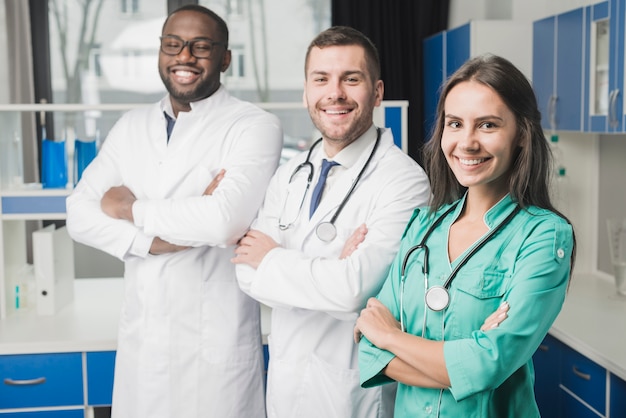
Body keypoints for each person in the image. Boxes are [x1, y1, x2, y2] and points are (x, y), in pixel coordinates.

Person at [65, 5, 283, 418]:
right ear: (161, 52)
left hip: (214, 350)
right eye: (173, 45)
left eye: (201, 46)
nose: (184, 56)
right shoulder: (131, 125)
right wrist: (154, 242)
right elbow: (78, 213)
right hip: (143, 349)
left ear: (224, 58)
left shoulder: (253, 126)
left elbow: (223, 222)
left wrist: (130, 207)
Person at [354, 54, 577, 417]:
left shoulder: (543, 235)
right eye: (455, 124)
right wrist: (464, 360)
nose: (467, 142)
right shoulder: (423, 226)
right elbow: (370, 354)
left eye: (487, 125)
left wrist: (390, 336)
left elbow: (488, 365)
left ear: (521, 133)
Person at [231, 26, 431, 418]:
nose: (334, 93)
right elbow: (245, 273)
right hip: (287, 386)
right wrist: (332, 271)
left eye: (350, 79)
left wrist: (275, 261)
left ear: (376, 92)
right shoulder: (290, 173)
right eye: (321, 79)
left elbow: (354, 291)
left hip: (353, 393)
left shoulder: (405, 181)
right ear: (307, 92)